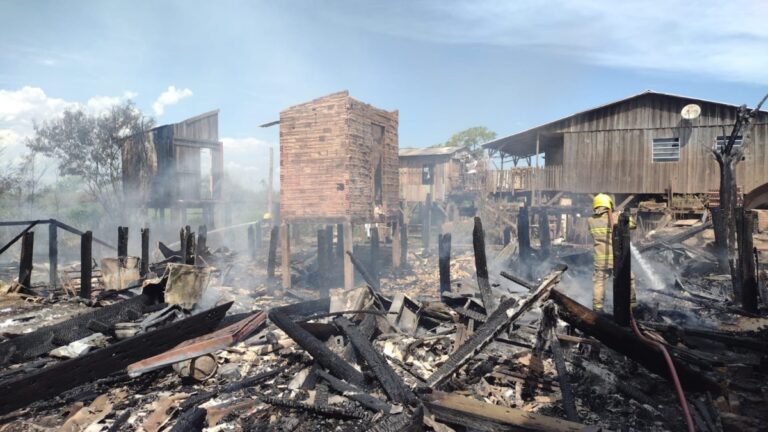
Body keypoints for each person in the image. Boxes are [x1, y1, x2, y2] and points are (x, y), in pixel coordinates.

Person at [587, 193, 636, 312]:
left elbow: (592, 235)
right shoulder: (616, 216)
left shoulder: (590, 220)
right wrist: (626, 215)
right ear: (609, 205)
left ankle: (597, 308)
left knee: (599, 282)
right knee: (628, 279)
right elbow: (633, 225)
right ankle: (632, 305)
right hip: (617, 257)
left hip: (600, 259)